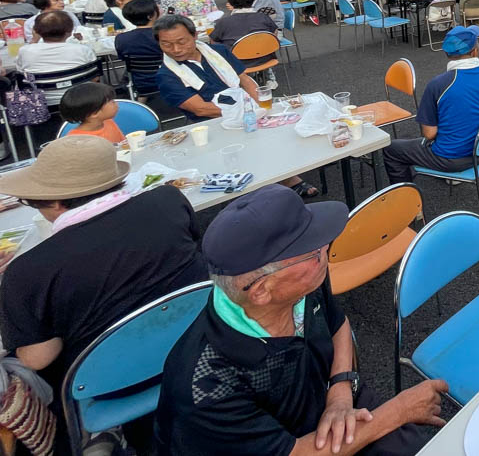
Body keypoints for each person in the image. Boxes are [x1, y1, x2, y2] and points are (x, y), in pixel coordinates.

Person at [156, 185, 447, 455]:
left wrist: (340, 390)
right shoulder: (206, 384)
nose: (325, 248)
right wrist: (400, 411)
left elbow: (338, 324)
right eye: (312, 252)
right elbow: (294, 452)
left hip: (329, 404)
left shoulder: (302, 283)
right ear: (261, 291)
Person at [0, 137, 207, 450]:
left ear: (55, 202)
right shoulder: (168, 200)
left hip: (110, 386)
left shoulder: (27, 271)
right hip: (198, 348)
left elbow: (37, 359)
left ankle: (97, 435)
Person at [383, 26, 479, 182]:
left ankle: (406, 200)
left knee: (391, 150)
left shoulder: (437, 85)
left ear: (447, 54)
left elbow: (429, 134)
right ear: (475, 51)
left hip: (452, 159)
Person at [209, 0, 280, 70]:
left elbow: (213, 41)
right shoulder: (264, 17)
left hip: (236, 62)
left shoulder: (224, 22)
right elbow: (274, 34)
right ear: (253, 0)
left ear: (230, 3)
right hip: (265, 58)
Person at [115, 0, 164, 96]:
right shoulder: (164, 35)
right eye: (158, 8)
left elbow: (123, 58)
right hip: (167, 78)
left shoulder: (122, 38)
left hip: (140, 81)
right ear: (150, 16)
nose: (161, 10)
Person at [59, 81, 124, 143]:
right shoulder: (76, 141)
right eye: (111, 101)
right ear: (94, 113)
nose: (116, 103)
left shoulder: (108, 121)